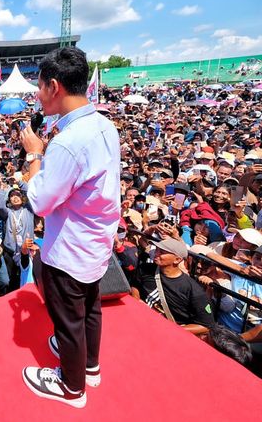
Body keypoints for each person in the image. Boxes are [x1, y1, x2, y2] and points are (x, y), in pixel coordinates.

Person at [20, 47, 120, 409]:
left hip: (70, 246)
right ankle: (89, 366)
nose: (37, 95)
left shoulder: (66, 142)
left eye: (39, 87)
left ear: (55, 86)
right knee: (90, 307)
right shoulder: (104, 124)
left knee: (68, 320)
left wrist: (34, 155)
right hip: (96, 240)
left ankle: (71, 386)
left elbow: (41, 202)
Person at [133, 237, 215, 335]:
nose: (156, 253)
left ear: (177, 260)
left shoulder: (194, 290)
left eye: (162, 252)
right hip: (139, 323)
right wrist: (136, 302)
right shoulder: (145, 269)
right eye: (157, 249)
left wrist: (170, 329)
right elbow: (135, 285)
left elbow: (206, 326)